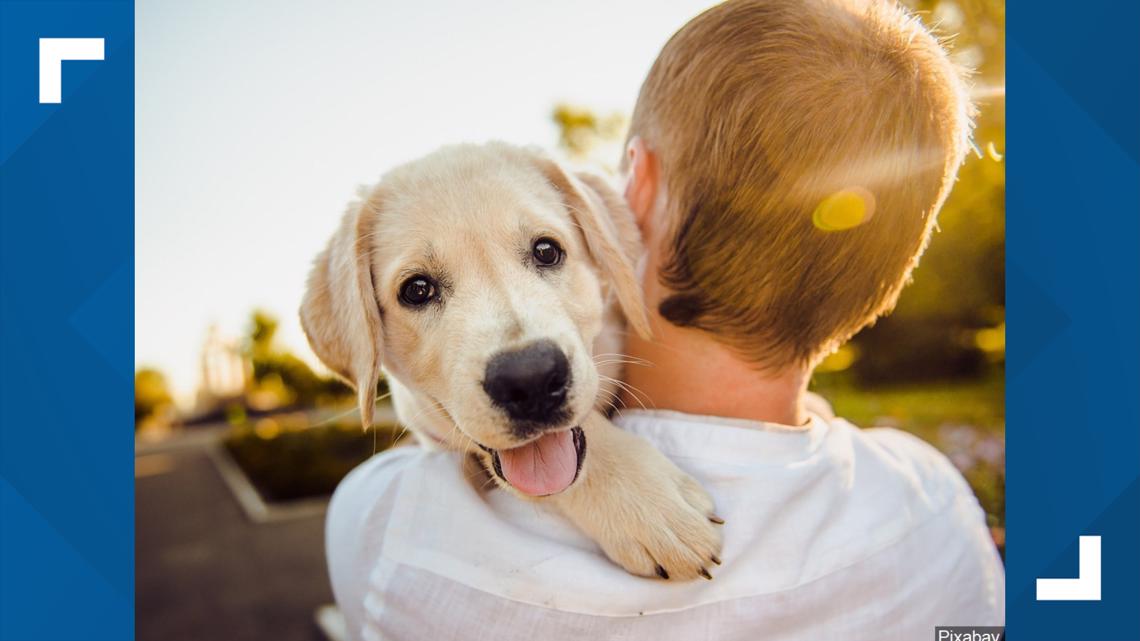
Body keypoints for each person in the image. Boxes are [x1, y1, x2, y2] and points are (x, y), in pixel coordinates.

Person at [325, 0, 1005, 638]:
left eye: (544, 251)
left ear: (635, 191)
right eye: (419, 289)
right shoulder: (939, 511)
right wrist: (595, 466)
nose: (523, 352)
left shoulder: (390, 531)